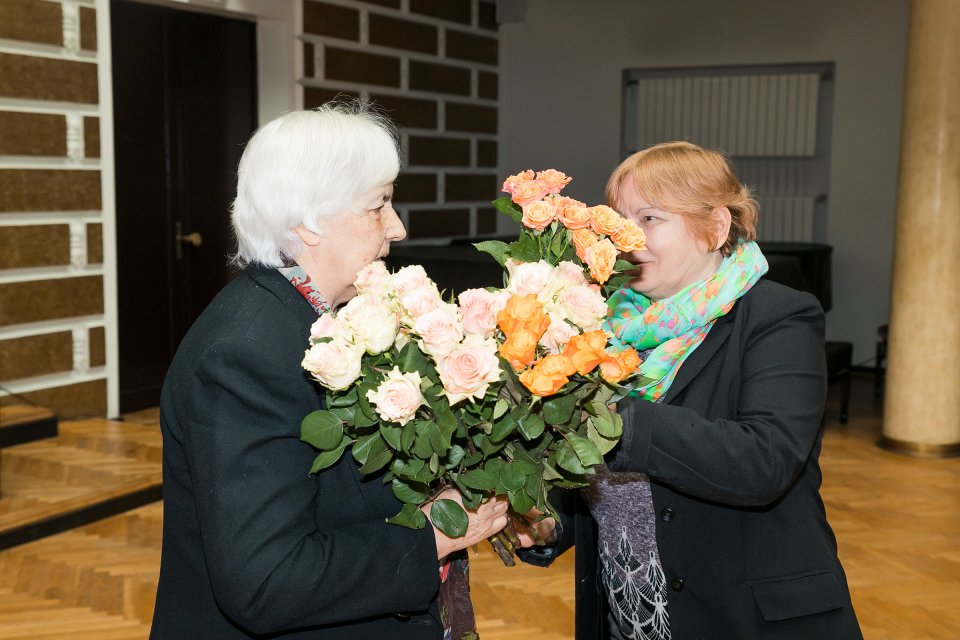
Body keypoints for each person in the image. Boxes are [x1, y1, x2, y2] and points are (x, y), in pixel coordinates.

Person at [150, 101, 509, 640]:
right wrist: (434, 533)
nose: (398, 227)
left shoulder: (317, 316)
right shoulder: (246, 353)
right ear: (306, 222)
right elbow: (265, 581)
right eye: (378, 205)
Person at [519, 141, 862, 639]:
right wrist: (552, 525)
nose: (624, 236)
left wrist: (619, 416)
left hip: (745, 618)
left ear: (715, 228)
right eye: (618, 219)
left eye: (650, 218)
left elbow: (764, 460)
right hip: (629, 616)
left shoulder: (778, 316)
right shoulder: (604, 323)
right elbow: (603, 480)